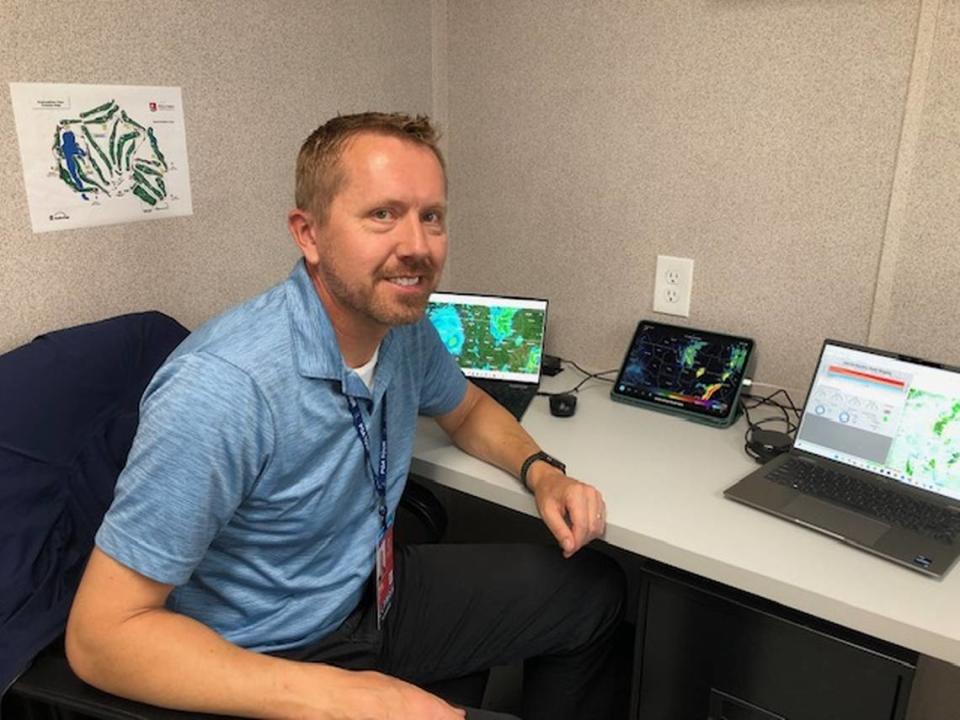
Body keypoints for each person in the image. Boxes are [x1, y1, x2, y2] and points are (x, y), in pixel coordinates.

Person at [65, 112, 625, 720]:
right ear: (308, 233)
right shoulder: (223, 387)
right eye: (382, 214)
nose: (416, 246)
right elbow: (102, 638)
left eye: (430, 216)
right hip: (266, 656)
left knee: (592, 590)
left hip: (365, 595)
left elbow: (466, 410)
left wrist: (543, 471)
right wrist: (340, 697)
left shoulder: (398, 325)